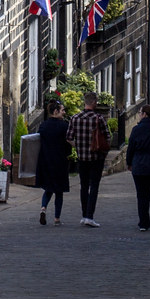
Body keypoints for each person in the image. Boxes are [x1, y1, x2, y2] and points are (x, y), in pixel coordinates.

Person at [65, 91, 110, 227]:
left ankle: (84, 215)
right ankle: (90, 216)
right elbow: (107, 137)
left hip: (82, 157)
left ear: (85, 102)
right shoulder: (98, 118)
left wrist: (78, 146)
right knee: (94, 186)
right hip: (96, 157)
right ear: (94, 102)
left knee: (83, 186)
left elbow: (68, 138)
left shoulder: (75, 118)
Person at [35, 100, 71, 226]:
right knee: (59, 191)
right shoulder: (64, 126)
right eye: (62, 110)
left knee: (48, 188)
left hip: (46, 160)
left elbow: (37, 141)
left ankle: (43, 208)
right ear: (56, 111)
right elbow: (68, 144)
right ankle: (57, 218)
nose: (64, 112)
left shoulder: (43, 125)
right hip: (60, 161)